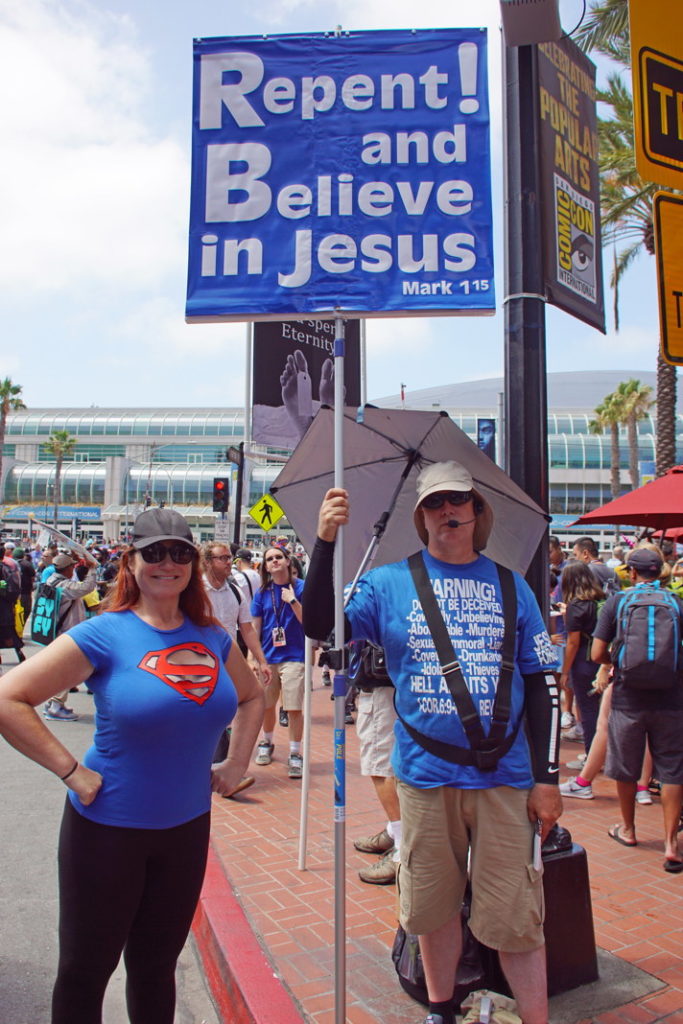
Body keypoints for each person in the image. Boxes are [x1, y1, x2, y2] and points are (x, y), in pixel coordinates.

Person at [303, 461, 561, 1024]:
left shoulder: (512, 585)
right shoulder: (386, 583)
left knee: (517, 915)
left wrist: (547, 779)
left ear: (476, 511)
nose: (448, 512)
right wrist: (325, 542)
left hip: (506, 780)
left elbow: (543, 684)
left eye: (458, 502)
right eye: (435, 504)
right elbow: (320, 624)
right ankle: (440, 1010)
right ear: (421, 517)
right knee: (430, 909)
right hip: (423, 776)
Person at [0, 507, 264, 1023]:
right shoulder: (105, 634)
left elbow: (253, 697)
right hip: (106, 831)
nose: (168, 563)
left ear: (191, 562)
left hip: (186, 831)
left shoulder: (212, 636)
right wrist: (70, 770)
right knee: (85, 970)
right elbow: (10, 698)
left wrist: (236, 763)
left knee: (155, 967)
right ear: (131, 561)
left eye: (180, 553)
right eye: (155, 552)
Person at [592, 545, 683, 871]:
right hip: (672, 699)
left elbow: (596, 652)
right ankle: (671, 843)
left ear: (631, 573)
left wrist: (614, 664)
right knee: (672, 767)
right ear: (661, 572)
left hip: (629, 698)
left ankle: (628, 829)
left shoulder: (618, 602)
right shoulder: (677, 603)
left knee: (625, 764)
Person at [251, 545, 306, 779]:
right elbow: (255, 627)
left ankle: (295, 753)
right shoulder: (262, 593)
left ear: (287, 561)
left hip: (294, 656)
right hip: (268, 657)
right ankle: (267, 741)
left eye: (278, 557)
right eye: (270, 559)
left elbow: (309, 623)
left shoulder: (302, 588)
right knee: (266, 704)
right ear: (266, 566)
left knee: (293, 707)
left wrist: (293, 601)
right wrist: (254, 658)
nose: (274, 561)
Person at [42, 552, 98, 722]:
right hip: (66, 633)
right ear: (67, 569)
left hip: (56, 631)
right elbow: (86, 588)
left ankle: (54, 703)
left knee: (62, 669)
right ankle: (56, 705)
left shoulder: (51, 580)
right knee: (68, 670)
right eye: (71, 567)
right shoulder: (64, 586)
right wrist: (92, 570)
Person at [558, 562, 604, 757]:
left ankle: (590, 756)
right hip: (601, 660)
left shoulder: (576, 606)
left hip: (583, 662)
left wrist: (565, 671)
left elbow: (573, 643)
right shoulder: (600, 600)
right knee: (601, 711)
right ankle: (599, 755)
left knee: (587, 712)